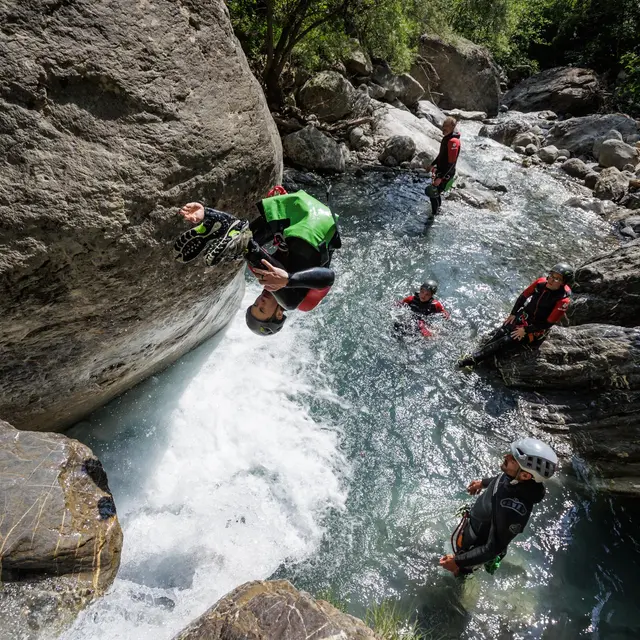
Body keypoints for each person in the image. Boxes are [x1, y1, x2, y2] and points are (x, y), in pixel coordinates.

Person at [174, 186, 341, 336]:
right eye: (261, 309)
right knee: (287, 298)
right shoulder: (303, 302)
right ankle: (244, 241)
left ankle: (214, 219)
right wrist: (289, 280)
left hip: (293, 210)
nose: (259, 301)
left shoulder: (263, 274)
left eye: (255, 304)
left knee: (240, 248)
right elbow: (329, 277)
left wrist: (206, 214)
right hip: (314, 225)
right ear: (277, 315)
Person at [439, 437, 558, 577]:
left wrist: (458, 562)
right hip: (472, 526)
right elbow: (501, 480)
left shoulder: (512, 511)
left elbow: (492, 549)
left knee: (460, 574)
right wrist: (482, 483)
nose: (506, 457)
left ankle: (460, 582)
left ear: (525, 475)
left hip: (474, 545)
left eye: (512, 459)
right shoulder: (516, 478)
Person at [457, 263, 573, 368]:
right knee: (501, 332)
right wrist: (513, 314)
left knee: (506, 340)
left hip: (536, 328)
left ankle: (473, 360)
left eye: (557, 279)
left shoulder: (563, 301)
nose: (551, 280)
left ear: (563, 283)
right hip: (524, 316)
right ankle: (479, 353)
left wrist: (525, 330)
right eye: (551, 275)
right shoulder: (541, 283)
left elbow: (548, 323)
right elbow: (523, 296)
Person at [426, 117, 461, 216]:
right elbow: (441, 155)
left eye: (446, 126)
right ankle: (438, 210)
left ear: (453, 127)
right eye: (443, 126)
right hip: (441, 170)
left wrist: (441, 178)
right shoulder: (447, 138)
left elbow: (452, 163)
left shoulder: (453, 141)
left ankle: (433, 216)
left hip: (446, 173)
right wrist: (432, 164)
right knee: (436, 192)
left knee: (433, 193)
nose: (443, 128)